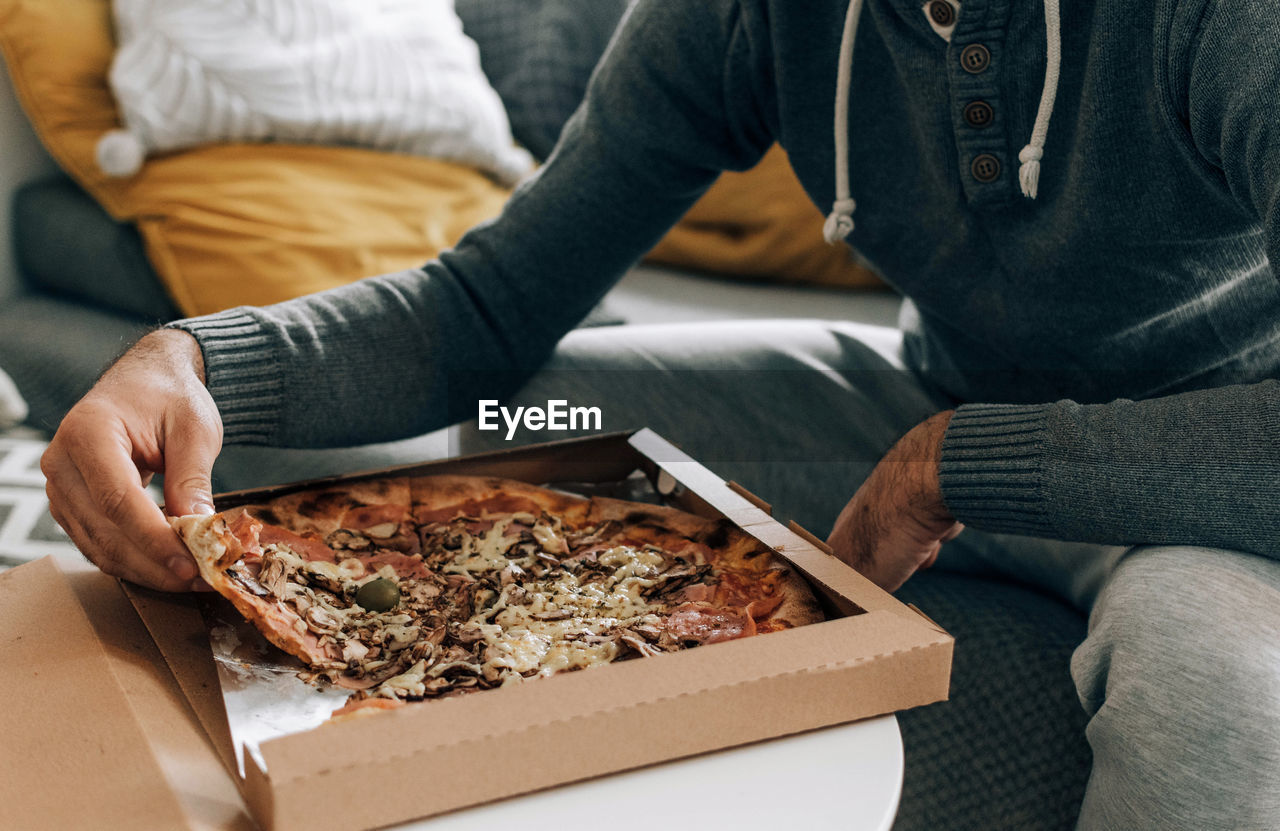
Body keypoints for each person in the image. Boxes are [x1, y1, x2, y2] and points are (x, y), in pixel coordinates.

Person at [41, 0, 1280, 828]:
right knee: (506, 424)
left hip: (1208, 462)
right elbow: (491, 306)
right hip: (917, 394)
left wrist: (957, 465)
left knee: (1220, 715)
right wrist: (194, 362)